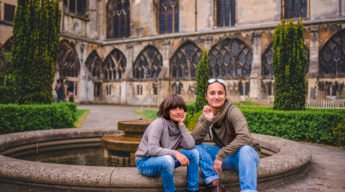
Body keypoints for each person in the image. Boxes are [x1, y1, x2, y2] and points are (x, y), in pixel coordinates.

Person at [191, 79, 260, 192]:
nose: (216, 97)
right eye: (212, 93)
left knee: (246, 149)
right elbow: (193, 141)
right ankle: (215, 184)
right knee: (196, 148)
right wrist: (207, 121)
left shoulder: (233, 111)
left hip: (244, 157)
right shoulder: (206, 113)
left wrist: (221, 155)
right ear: (206, 96)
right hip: (227, 157)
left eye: (220, 93)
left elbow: (244, 137)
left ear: (225, 95)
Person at [135, 94, 199, 192]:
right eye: (174, 109)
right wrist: (176, 153)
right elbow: (152, 149)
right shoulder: (159, 123)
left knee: (194, 153)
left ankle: (193, 189)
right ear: (167, 111)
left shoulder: (179, 127)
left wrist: (182, 125)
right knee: (168, 160)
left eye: (181, 108)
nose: (178, 112)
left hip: (165, 160)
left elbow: (191, 145)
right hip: (145, 162)